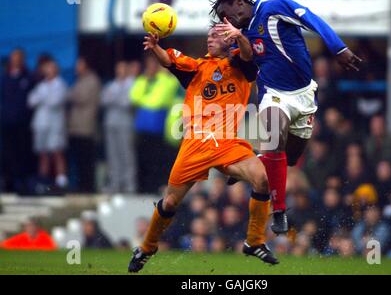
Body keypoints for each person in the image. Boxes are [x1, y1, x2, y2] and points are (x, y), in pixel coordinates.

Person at [128, 25, 278, 273]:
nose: (210, 39)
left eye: (216, 35)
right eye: (208, 36)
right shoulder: (196, 67)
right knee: (171, 202)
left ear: (229, 40)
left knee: (262, 179)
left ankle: (254, 241)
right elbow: (169, 60)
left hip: (227, 143)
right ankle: (147, 247)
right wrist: (155, 48)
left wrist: (240, 36)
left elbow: (249, 55)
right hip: (195, 145)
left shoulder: (241, 65)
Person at [211, 0, 362, 234]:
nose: (227, 22)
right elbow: (244, 60)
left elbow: (312, 19)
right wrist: (232, 44)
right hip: (273, 94)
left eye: (227, 16)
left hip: (304, 96)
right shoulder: (242, 34)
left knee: (289, 158)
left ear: (239, 3)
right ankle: (279, 211)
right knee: (273, 142)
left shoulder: (275, 9)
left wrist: (338, 48)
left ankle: (252, 162)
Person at [129, 55, 179, 193]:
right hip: (142, 127)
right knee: (141, 159)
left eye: (154, 65)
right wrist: (145, 80)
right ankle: (141, 188)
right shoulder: (143, 80)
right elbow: (134, 97)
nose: (151, 68)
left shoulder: (168, 81)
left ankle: (152, 187)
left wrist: (145, 99)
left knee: (155, 160)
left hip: (157, 128)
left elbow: (159, 100)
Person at [27, 60, 68, 189]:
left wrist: (42, 98)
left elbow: (54, 102)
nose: (48, 71)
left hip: (55, 124)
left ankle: (61, 181)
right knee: (43, 153)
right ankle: (43, 181)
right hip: (41, 124)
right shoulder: (41, 85)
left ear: (56, 70)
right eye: (46, 68)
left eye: (51, 68)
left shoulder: (60, 85)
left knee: (56, 151)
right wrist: (43, 97)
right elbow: (30, 101)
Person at [0, 49, 35, 193]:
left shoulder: (29, 77)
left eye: (18, 57)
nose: (16, 60)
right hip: (6, 123)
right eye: (13, 57)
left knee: (22, 154)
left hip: (22, 124)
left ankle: (22, 182)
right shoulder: (4, 77)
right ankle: (7, 182)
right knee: (6, 154)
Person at [101, 61, 136, 193]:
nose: (119, 72)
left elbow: (127, 102)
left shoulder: (132, 84)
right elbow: (104, 99)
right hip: (111, 123)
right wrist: (117, 98)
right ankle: (114, 183)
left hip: (125, 123)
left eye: (122, 69)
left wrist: (114, 98)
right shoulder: (112, 84)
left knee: (126, 153)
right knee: (113, 154)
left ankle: (129, 184)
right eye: (118, 69)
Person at [67, 57, 101, 193]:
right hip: (76, 127)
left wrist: (70, 94)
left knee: (87, 159)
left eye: (79, 64)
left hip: (86, 127)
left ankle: (88, 187)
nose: (76, 67)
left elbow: (79, 97)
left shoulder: (92, 80)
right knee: (80, 160)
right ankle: (81, 186)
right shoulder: (79, 80)